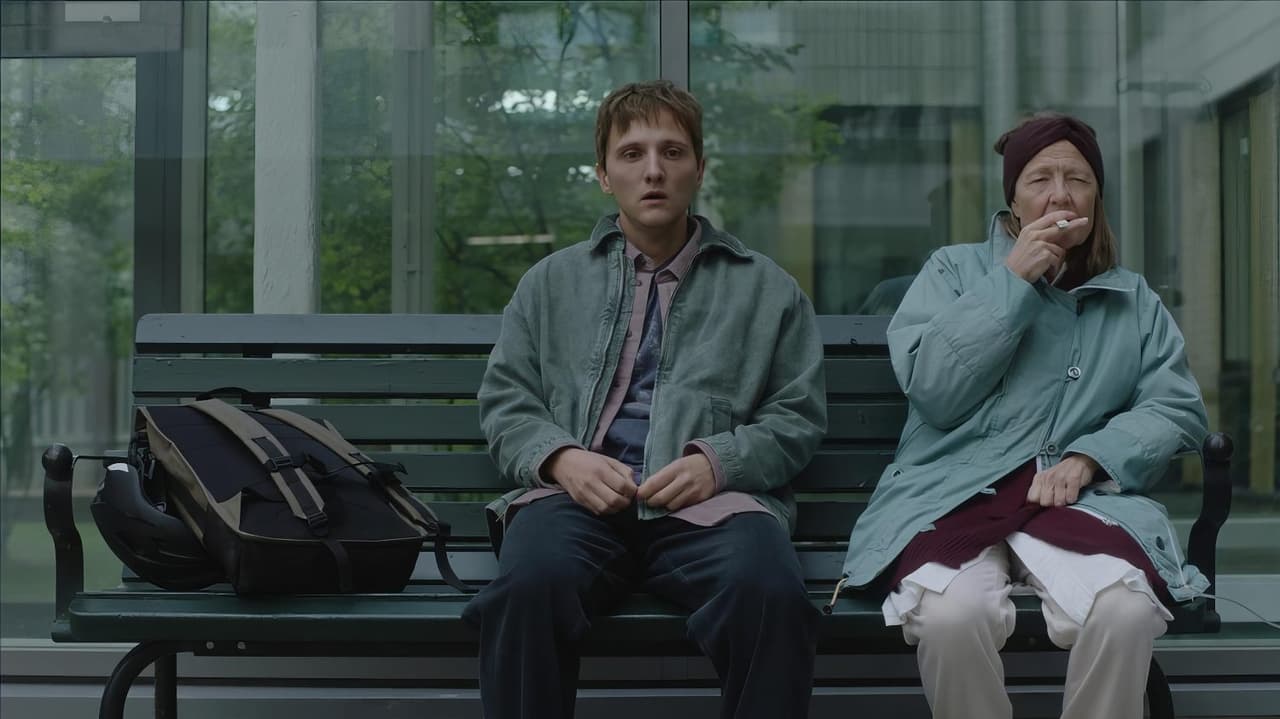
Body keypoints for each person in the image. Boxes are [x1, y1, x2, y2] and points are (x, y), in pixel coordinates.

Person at [463, 80, 826, 719]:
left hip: (711, 507)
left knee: (770, 592)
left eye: (672, 152)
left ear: (699, 168)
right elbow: (507, 401)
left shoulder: (766, 289)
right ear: (604, 175)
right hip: (575, 504)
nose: (653, 170)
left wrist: (719, 462)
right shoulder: (550, 283)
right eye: (632, 154)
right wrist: (561, 459)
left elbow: (795, 416)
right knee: (528, 587)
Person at [839, 111, 1209, 719]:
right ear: (1013, 197)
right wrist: (1011, 280)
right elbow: (934, 391)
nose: (1060, 195)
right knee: (953, 616)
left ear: (1096, 196)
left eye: (1077, 179)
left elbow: (1175, 406)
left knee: (1125, 610)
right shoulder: (953, 271)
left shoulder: (1132, 297)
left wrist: (1092, 457)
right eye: (1040, 179)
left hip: (1078, 502)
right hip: (952, 494)